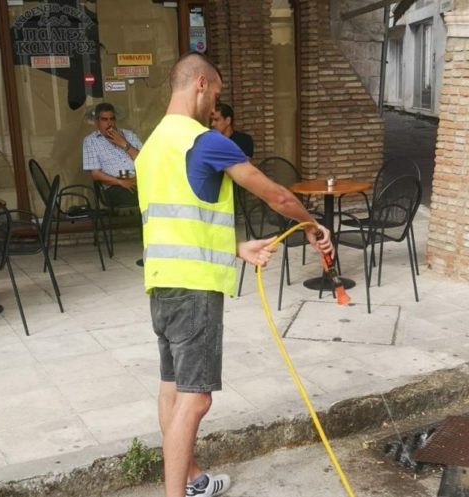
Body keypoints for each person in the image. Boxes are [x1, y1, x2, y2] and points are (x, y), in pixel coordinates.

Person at [135, 52, 332, 497]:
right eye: (217, 95)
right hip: (196, 291)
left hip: (162, 284)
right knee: (197, 397)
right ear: (201, 83)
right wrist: (313, 225)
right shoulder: (203, 140)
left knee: (172, 388)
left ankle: (191, 480)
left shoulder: (151, 148)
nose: (216, 109)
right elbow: (278, 197)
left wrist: (236, 247)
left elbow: (174, 219)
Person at [82, 102, 141, 208]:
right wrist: (120, 182)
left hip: (138, 181)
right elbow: (95, 174)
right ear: (97, 122)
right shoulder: (91, 141)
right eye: (104, 120)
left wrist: (124, 144)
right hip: (115, 186)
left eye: (112, 119)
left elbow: (145, 161)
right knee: (146, 197)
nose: (109, 124)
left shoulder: (129, 135)